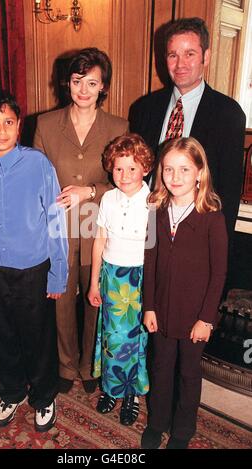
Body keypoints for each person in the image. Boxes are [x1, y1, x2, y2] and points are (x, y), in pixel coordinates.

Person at [0, 88, 68, 432]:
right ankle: (11, 390)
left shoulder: (37, 164)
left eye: (8, 121)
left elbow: (55, 220)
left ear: (19, 125)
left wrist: (58, 273)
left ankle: (44, 395)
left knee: (37, 336)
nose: (1, 130)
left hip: (32, 270)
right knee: (0, 334)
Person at [34, 47, 128, 394]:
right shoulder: (45, 123)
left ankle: (91, 367)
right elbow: (37, 178)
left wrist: (88, 190)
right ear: (67, 83)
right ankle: (65, 364)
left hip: (99, 225)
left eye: (92, 82)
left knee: (95, 297)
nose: (84, 90)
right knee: (59, 298)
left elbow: (125, 181)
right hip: (56, 226)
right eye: (77, 81)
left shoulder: (119, 126)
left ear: (103, 87)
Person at [141, 137, 228, 449]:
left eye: (183, 170)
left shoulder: (212, 218)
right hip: (161, 314)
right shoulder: (157, 213)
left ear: (199, 173)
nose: (175, 177)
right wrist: (148, 307)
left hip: (195, 318)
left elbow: (219, 274)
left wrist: (206, 319)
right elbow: (149, 264)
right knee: (161, 369)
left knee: (188, 375)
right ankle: (157, 423)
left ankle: (182, 431)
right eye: (168, 170)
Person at [129, 17, 246, 243]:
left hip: (196, 236)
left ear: (206, 56)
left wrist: (217, 248)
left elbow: (228, 194)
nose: (180, 64)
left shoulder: (228, 115)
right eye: (173, 55)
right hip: (143, 227)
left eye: (189, 54)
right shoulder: (143, 109)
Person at [88, 134, 154, 426]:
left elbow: (155, 250)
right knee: (112, 339)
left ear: (145, 169)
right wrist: (93, 282)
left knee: (135, 340)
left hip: (139, 278)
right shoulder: (108, 198)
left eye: (132, 168)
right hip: (111, 277)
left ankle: (132, 394)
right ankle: (112, 388)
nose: (124, 175)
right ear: (110, 169)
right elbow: (99, 240)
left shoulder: (153, 201)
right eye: (118, 168)